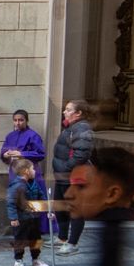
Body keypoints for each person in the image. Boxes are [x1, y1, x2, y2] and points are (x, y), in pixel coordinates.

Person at [50, 100, 94, 255]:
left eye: (68, 110)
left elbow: (81, 154)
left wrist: (66, 168)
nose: (64, 112)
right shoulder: (71, 127)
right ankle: (62, 238)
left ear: (78, 113)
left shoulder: (82, 128)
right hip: (63, 176)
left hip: (73, 177)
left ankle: (73, 243)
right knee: (60, 207)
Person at [6, 158, 53, 266]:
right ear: (26, 171)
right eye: (33, 169)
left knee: (36, 239)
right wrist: (13, 218)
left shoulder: (34, 184)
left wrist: (48, 210)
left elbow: (42, 198)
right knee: (20, 240)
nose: (35, 171)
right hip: (21, 219)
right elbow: (11, 202)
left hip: (34, 218)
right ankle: (18, 261)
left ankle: (36, 259)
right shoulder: (16, 186)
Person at [0, 108, 46, 173]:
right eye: (15, 120)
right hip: (13, 170)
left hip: (29, 171)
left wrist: (21, 154)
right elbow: (3, 151)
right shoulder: (10, 136)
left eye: (21, 120)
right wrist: (5, 154)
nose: (17, 123)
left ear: (26, 121)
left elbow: (41, 154)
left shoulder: (33, 136)